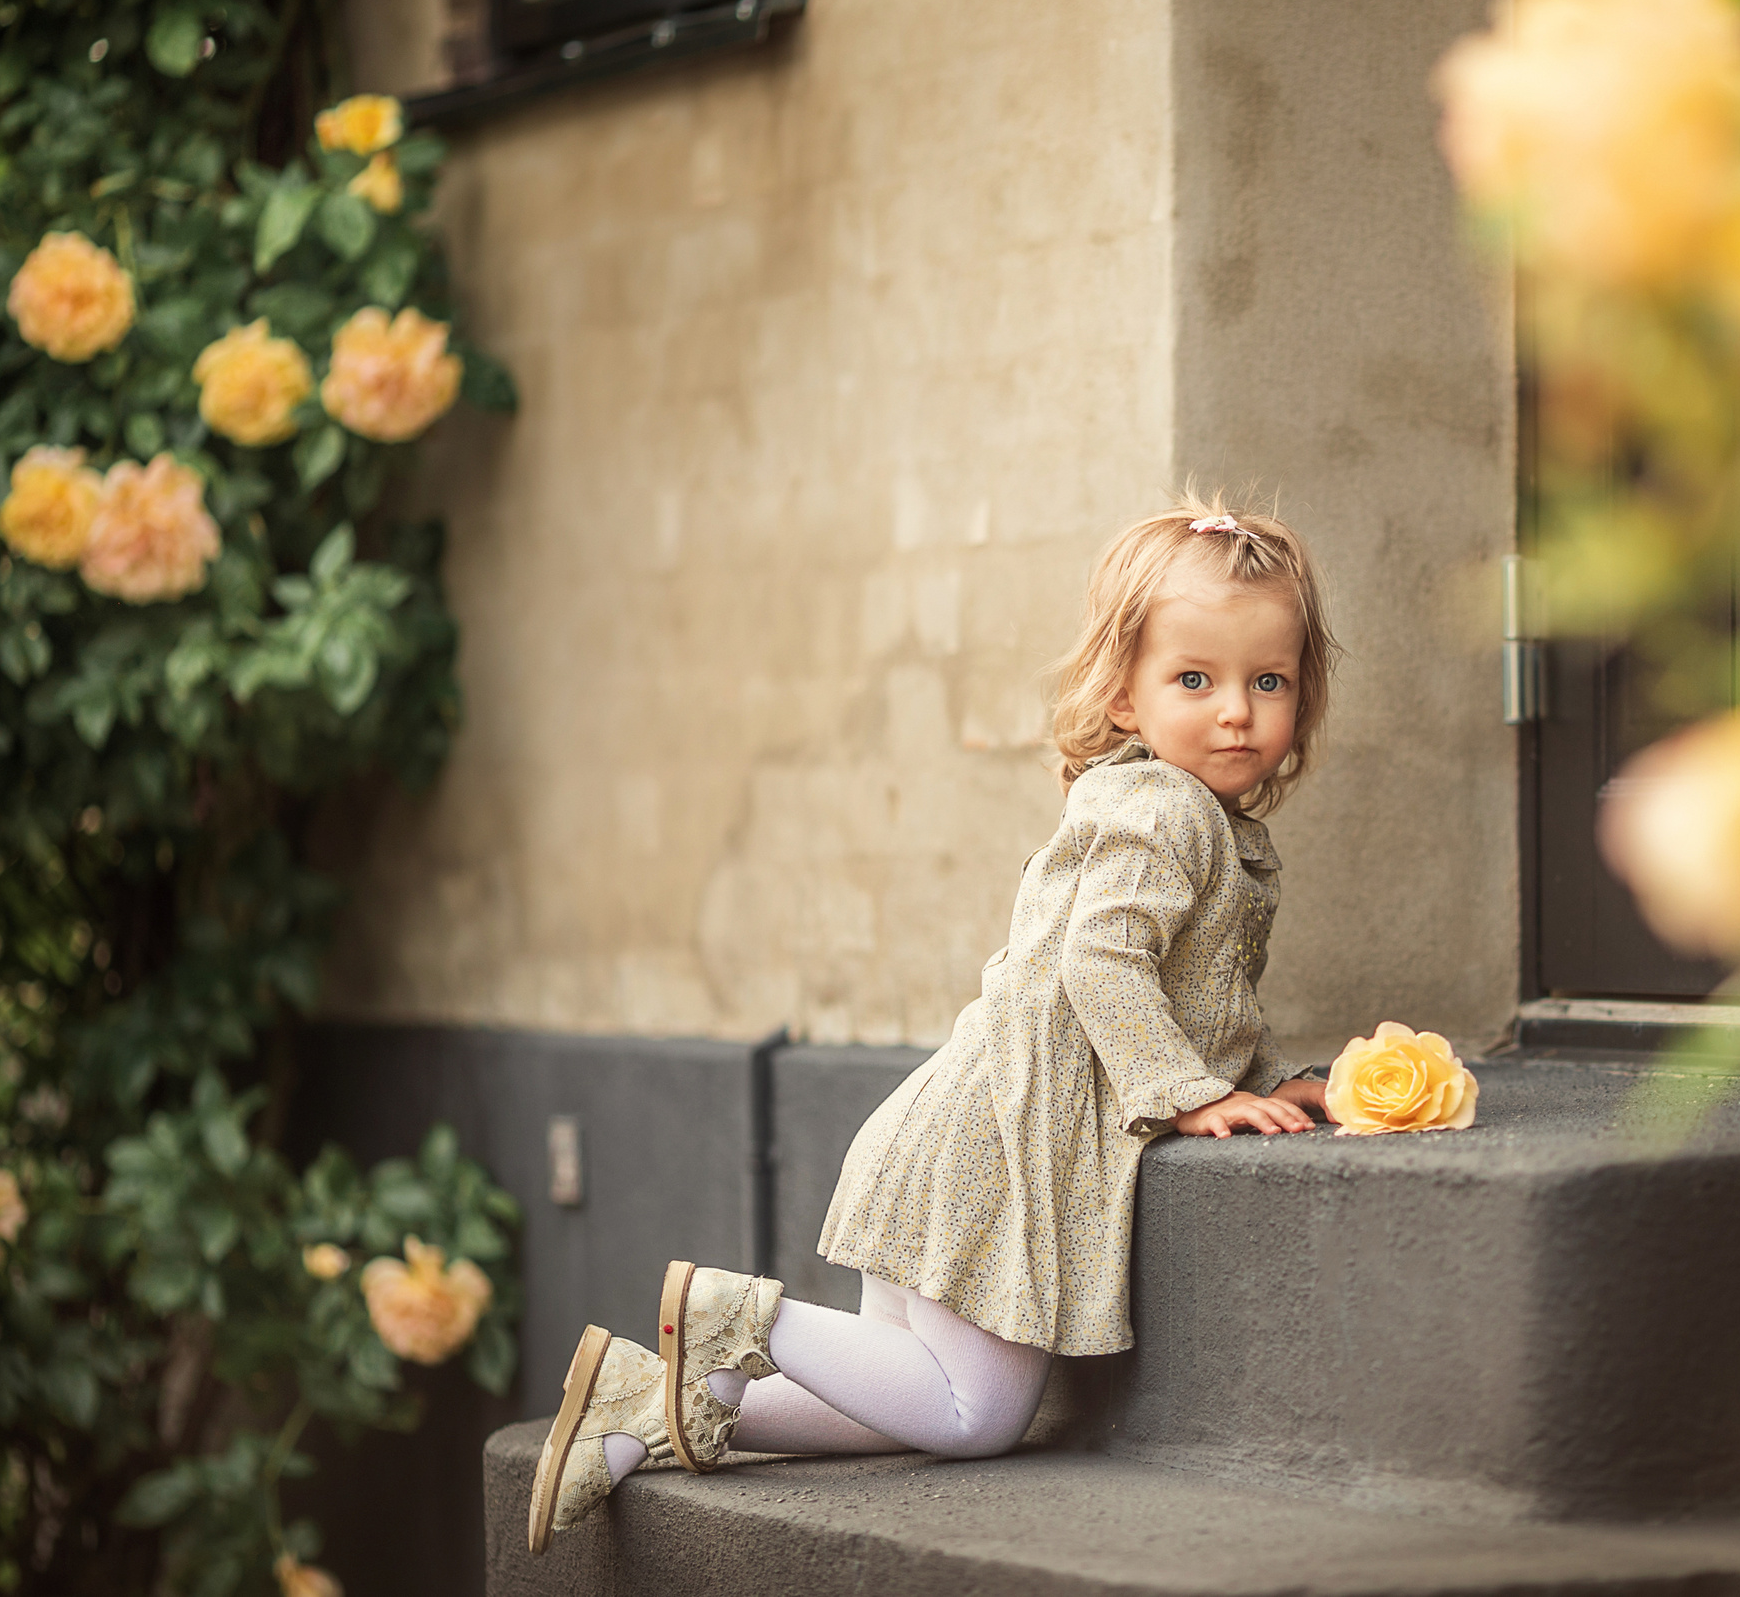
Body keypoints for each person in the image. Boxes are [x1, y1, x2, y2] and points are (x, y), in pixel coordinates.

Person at [528, 496, 1342, 1553]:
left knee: (901, 1398)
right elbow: (1103, 962)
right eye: (1195, 679)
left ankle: (648, 1404)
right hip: (999, 1157)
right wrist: (1188, 1094)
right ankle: (743, 1319)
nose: (1235, 711)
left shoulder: (1185, 814)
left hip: (961, 1133)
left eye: (1265, 681)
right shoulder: (1166, 810)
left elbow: (1202, 999)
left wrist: (1266, 1077)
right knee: (973, 1418)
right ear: (1125, 695)